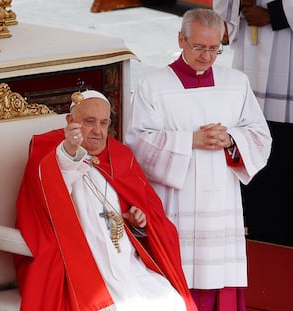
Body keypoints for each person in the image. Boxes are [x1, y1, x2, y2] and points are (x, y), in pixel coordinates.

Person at [124, 8, 272, 311]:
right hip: (177, 202)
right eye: (199, 47)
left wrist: (231, 139)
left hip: (222, 202)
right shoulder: (154, 85)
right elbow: (137, 143)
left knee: (221, 281)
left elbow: (260, 136)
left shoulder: (236, 82)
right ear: (181, 39)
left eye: (215, 48)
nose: (207, 56)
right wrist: (190, 140)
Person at [14, 90, 197, 311]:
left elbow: (149, 216)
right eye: (89, 122)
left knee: (171, 301)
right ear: (70, 121)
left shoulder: (120, 156)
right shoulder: (51, 151)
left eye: (104, 123)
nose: (98, 131)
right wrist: (70, 150)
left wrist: (137, 221)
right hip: (81, 267)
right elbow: (47, 190)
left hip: (127, 264)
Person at [213, 0, 293, 246]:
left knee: (285, 152)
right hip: (251, 51)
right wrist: (238, 5)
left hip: (287, 49)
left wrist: (276, 14)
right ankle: (255, 228)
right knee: (252, 138)